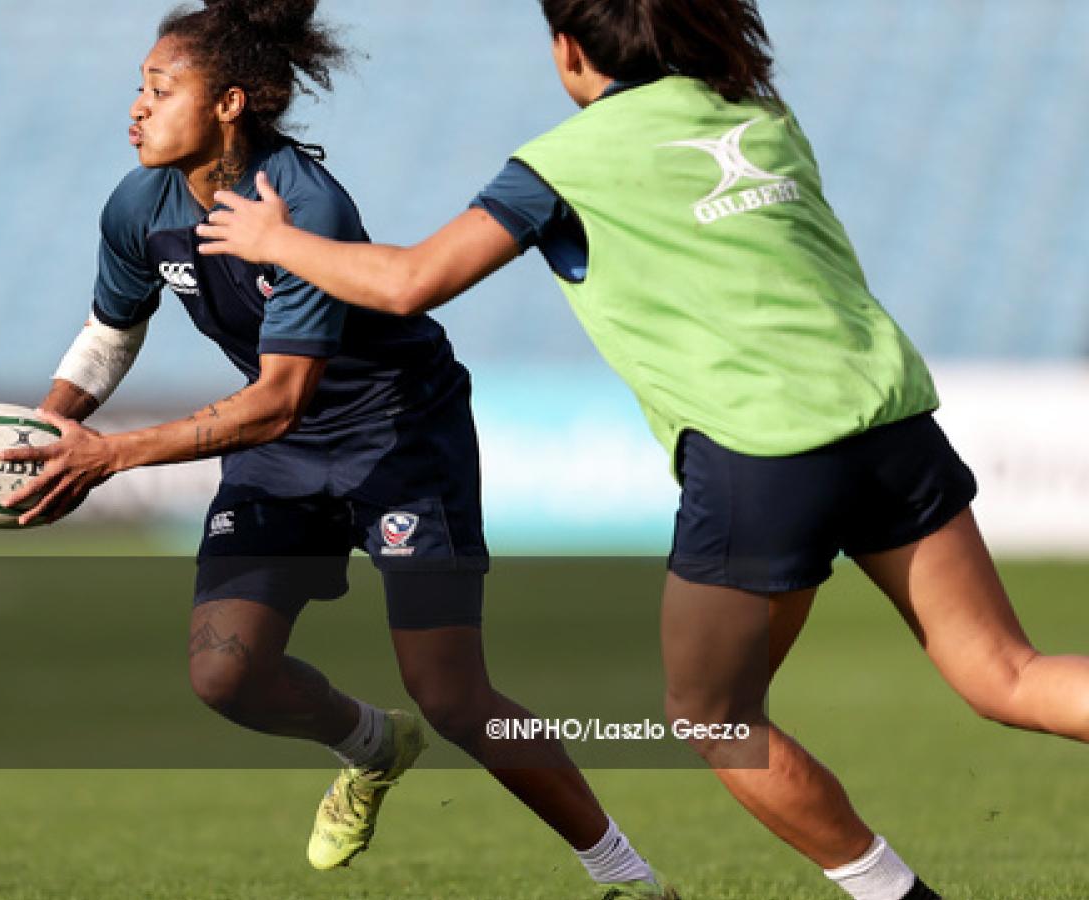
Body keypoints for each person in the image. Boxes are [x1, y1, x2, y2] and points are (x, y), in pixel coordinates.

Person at [193, 1, 1089, 899]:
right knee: (1007, 674)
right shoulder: (759, 113)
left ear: (570, 48)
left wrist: (276, 240)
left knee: (716, 717)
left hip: (762, 452)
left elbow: (408, 283)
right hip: (893, 424)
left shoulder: (562, 164)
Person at [0, 1, 676, 896]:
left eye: (161, 90)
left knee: (456, 698)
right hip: (277, 453)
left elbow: (280, 399)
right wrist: (54, 426)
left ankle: (625, 875)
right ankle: (372, 745)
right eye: (139, 88)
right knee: (222, 676)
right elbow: (111, 326)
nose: (137, 107)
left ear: (231, 103)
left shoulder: (302, 205)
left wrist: (111, 455)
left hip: (396, 437)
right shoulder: (139, 202)